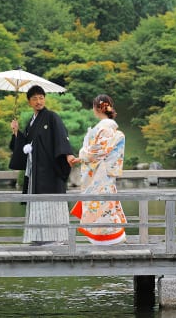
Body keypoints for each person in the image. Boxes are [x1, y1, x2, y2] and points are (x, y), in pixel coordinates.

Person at [9, 85, 74, 244]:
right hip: (36, 171)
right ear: (29, 102)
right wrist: (17, 133)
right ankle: (38, 237)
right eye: (35, 99)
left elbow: (61, 136)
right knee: (37, 203)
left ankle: (55, 238)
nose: (39, 101)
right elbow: (25, 144)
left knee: (50, 203)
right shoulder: (31, 122)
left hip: (50, 170)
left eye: (41, 98)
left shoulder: (52, 117)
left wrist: (68, 154)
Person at [68, 93, 127, 245]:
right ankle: (110, 240)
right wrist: (81, 158)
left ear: (96, 109)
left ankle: (105, 241)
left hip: (99, 175)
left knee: (100, 206)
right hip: (105, 173)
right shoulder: (111, 128)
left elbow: (97, 152)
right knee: (105, 206)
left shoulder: (103, 128)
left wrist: (82, 154)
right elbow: (100, 152)